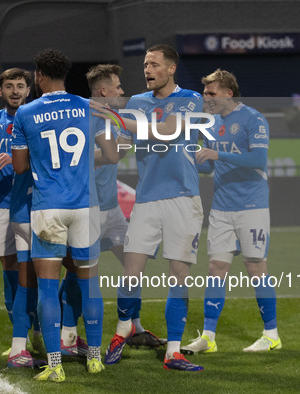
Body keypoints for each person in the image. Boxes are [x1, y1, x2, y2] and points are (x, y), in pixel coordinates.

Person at [11, 49, 118, 382]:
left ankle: (55, 364)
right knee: (90, 286)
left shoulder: (25, 112)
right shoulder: (89, 107)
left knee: (46, 288)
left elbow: (19, 166)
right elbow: (112, 154)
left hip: (48, 208)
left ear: (40, 75)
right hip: (86, 206)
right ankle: (96, 359)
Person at [101, 44, 204, 372]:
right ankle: (122, 333)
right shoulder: (135, 103)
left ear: (171, 69)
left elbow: (167, 131)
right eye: (145, 64)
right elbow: (121, 146)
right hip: (146, 199)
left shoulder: (190, 99)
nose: (147, 70)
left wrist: (116, 117)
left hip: (183, 199)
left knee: (178, 274)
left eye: (154, 64)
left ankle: (173, 351)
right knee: (131, 271)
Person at [57, 64, 166, 352]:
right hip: (86, 209)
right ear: (104, 91)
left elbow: (116, 152)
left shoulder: (111, 118)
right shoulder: (82, 116)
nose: (122, 91)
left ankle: (134, 327)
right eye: (117, 86)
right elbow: (100, 156)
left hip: (112, 209)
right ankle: (67, 335)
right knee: (77, 272)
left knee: (134, 262)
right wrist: (114, 152)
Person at [181, 69, 280, 354]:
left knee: (255, 268)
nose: (206, 98)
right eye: (204, 93)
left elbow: (258, 159)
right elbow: (208, 165)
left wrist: (217, 154)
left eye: (211, 93)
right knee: (216, 268)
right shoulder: (210, 124)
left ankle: (271, 334)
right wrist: (186, 157)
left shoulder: (253, 118)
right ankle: (209, 337)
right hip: (222, 208)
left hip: (252, 207)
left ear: (228, 93)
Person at [0, 67, 44, 366]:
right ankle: (22, 335)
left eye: (20, 85)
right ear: (0, 91)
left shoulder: (36, 117)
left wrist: (19, 159)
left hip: (36, 203)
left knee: (40, 270)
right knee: (9, 270)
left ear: (29, 90)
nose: (15, 90)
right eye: (9, 86)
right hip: (5, 204)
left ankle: (40, 330)